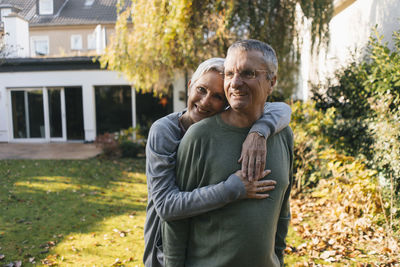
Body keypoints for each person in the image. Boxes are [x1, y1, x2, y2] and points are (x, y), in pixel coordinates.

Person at [144, 57, 292, 267]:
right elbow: (167, 205)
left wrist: (259, 132)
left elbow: (282, 110)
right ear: (190, 86)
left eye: (217, 97)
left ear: (227, 102)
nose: (205, 102)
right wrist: (233, 188)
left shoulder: (219, 132)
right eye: (202, 89)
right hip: (162, 252)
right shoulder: (165, 131)